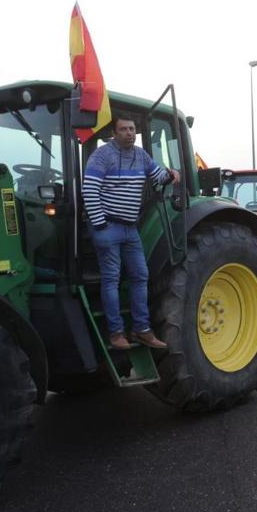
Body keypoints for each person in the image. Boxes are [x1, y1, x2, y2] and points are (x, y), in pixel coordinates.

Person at [83, 114, 181, 350]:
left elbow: (157, 176)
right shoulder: (102, 155)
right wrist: (100, 224)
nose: (129, 133)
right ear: (114, 133)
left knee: (140, 276)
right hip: (108, 226)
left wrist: (170, 173)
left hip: (130, 229)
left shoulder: (140, 155)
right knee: (111, 280)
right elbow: (90, 190)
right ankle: (116, 334)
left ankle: (141, 329)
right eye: (124, 129)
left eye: (132, 129)